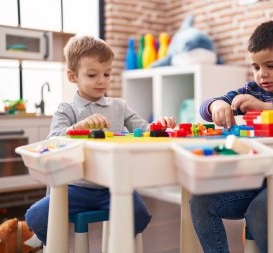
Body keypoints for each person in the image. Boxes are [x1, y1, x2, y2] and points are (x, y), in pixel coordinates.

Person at [24, 35, 177, 245]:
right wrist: (79, 127)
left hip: (113, 186)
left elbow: (144, 130)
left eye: (107, 74)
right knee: (36, 217)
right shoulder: (66, 109)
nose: (101, 80)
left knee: (140, 214)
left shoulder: (119, 106)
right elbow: (53, 141)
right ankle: (50, 246)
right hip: (75, 187)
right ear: (72, 76)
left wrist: (159, 126)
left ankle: (116, 244)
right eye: (92, 74)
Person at [191, 20, 273, 253]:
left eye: (271, 65)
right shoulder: (251, 91)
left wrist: (268, 107)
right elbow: (205, 108)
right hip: (253, 185)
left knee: (261, 210)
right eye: (255, 67)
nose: (262, 74)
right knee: (201, 202)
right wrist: (216, 105)